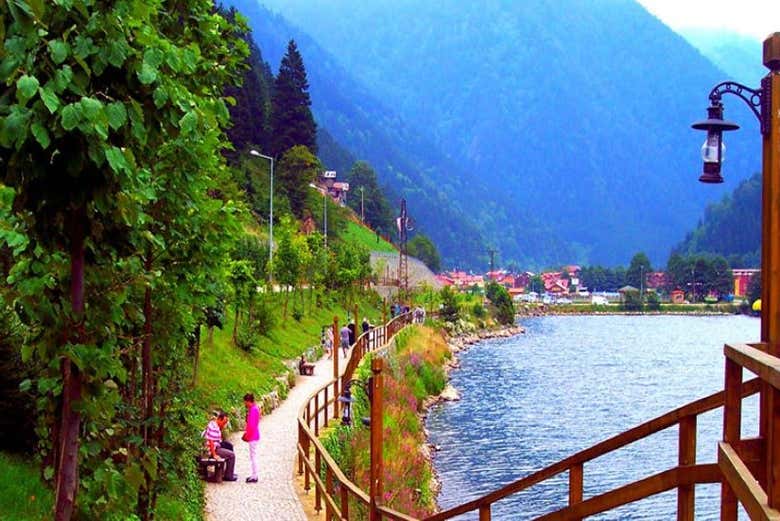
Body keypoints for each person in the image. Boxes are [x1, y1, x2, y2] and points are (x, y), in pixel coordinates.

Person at [203, 412, 237, 481]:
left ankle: (228, 472)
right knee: (232, 455)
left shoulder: (214, 424)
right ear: (219, 419)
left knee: (229, 446)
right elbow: (211, 441)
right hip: (213, 449)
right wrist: (214, 454)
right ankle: (229, 476)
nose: (224, 425)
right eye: (223, 422)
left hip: (216, 445)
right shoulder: (214, 428)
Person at [242, 393, 261, 483]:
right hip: (254, 435)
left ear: (248, 401)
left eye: (245, 402)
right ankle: (254, 474)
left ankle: (254, 475)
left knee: (253, 456)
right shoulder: (254, 409)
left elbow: (251, 425)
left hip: (253, 436)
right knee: (253, 455)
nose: (245, 404)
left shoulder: (253, 410)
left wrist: (247, 435)